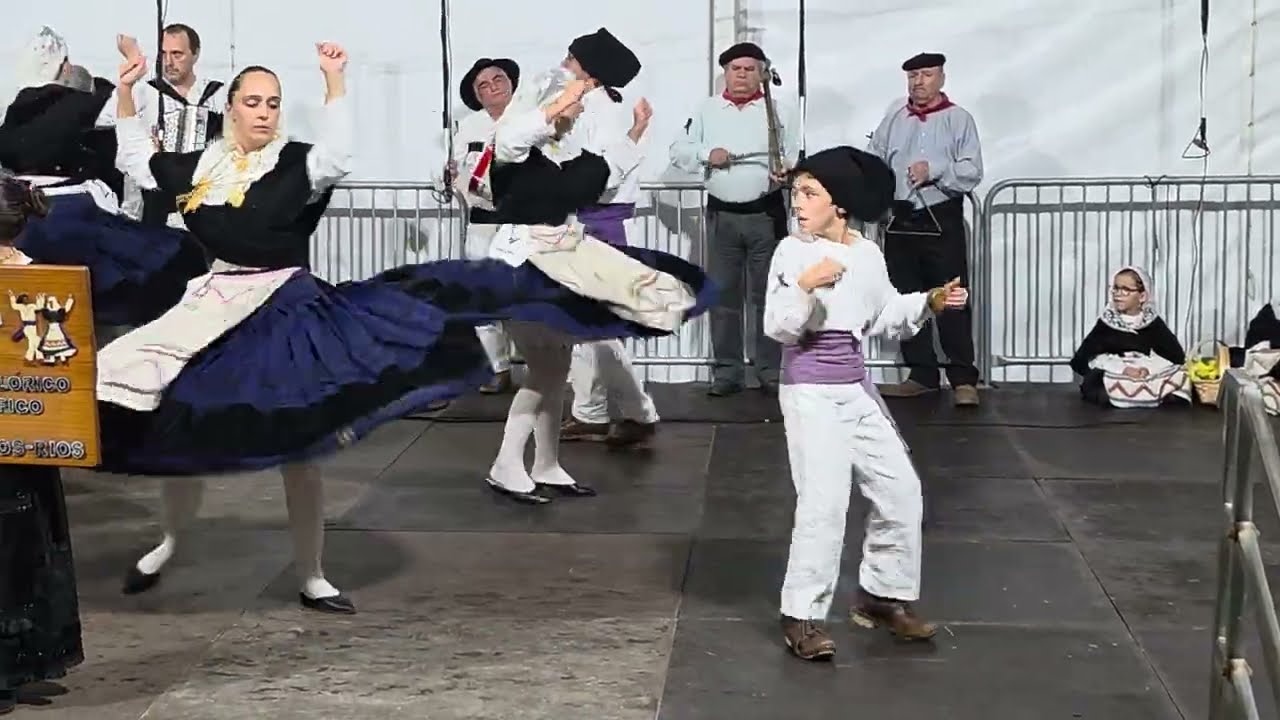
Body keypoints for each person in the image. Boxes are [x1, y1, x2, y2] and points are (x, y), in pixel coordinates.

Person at [104, 42, 496, 615]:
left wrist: (335, 80)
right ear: (231, 108)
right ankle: (168, 542)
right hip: (211, 300)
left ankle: (312, 574)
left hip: (280, 302)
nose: (264, 112)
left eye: (273, 103)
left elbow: (337, 156)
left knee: (298, 444)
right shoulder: (202, 166)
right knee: (173, 419)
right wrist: (126, 89)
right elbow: (137, 155)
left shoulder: (294, 162)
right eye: (253, 102)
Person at [380, 59, 715, 505]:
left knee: (554, 369)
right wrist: (565, 98)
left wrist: (636, 131)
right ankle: (505, 465)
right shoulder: (513, 144)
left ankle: (547, 463)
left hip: (559, 257)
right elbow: (517, 137)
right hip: (523, 264)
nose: (580, 112)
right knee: (543, 369)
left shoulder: (564, 153)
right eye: (575, 106)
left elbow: (601, 173)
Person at [763, 146, 966, 660]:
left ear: (842, 205)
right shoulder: (792, 252)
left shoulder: (867, 254)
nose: (799, 203)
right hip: (809, 390)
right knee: (824, 504)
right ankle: (801, 614)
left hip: (855, 387)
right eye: (796, 192)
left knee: (901, 490)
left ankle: (882, 594)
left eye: (810, 193)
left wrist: (929, 301)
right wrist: (806, 288)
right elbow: (779, 327)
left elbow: (883, 312)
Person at [0, 28, 208, 333]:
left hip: (22, 224)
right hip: (66, 214)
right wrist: (131, 70)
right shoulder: (75, 105)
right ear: (64, 67)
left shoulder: (11, 118)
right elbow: (125, 114)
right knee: (172, 256)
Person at [669, 41, 800, 397]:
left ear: (761, 73)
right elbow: (679, 151)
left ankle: (769, 370)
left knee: (768, 295)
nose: (741, 75)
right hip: (722, 215)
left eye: (749, 69)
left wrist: (786, 172)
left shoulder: (781, 111)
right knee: (723, 296)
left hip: (766, 213)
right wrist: (706, 153)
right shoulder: (707, 110)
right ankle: (727, 372)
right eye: (735, 69)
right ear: (725, 73)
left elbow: (794, 154)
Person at [554, 28, 662, 447]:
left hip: (598, 222)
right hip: (596, 220)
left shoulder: (596, 112)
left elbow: (603, 176)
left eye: (571, 60)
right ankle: (593, 411)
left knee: (595, 327)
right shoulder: (602, 109)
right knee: (587, 327)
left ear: (589, 73)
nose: (564, 67)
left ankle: (632, 411)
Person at [0, 179, 83, 714]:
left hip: (18, 438)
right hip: (28, 436)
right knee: (21, 546)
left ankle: (11, 667)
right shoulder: (44, 281)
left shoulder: (38, 282)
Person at [869, 52, 984, 407]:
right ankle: (921, 375)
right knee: (907, 300)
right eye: (913, 76)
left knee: (950, 299)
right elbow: (875, 157)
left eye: (926, 74)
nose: (919, 81)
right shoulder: (894, 119)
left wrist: (933, 169)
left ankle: (963, 378)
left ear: (941, 78)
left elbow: (971, 170)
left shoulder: (959, 119)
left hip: (941, 215)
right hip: (901, 219)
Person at [448, 56, 521, 394]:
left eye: (498, 79)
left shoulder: (530, 120)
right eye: (483, 85)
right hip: (480, 223)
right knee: (481, 300)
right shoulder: (469, 128)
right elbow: (450, 172)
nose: (493, 87)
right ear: (477, 95)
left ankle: (546, 371)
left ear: (511, 82)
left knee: (528, 298)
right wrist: (446, 176)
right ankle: (498, 368)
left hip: (521, 225)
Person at [123, 25, 229, 228]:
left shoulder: (218, 95)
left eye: (177, 54)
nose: (169, 62)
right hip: (158, 202)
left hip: (206, 204)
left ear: (195, 54)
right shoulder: (146, 93)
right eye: (163, 54)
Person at [1069, 266, 1190, 408]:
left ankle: (1142, 397)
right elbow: (1087, 358)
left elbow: (1174, 357)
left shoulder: (1152, 322)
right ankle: (1137, 398)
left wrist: (1147, 369)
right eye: (1115, 288)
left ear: (1142, 296)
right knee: (1097, 384)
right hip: (1115, 373)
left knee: (1182, 374)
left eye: (1126, 290)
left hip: (1146, 373)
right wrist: (1123, 369)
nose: (1118, 294)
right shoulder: (1107, 322)